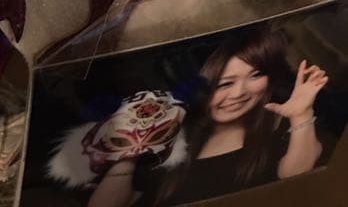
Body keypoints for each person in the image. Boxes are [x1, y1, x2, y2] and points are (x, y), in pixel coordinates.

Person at [88, 25, 329, 207]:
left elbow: (297, 179)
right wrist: (129, 151)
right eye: (225, 84)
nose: (239, 93)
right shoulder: (174, 140)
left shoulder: (286, 126)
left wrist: (301, 114)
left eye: (255, 76)